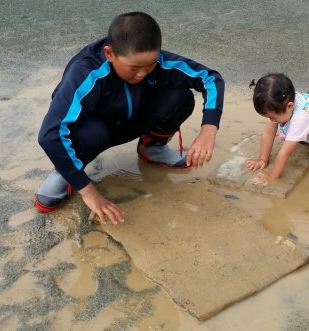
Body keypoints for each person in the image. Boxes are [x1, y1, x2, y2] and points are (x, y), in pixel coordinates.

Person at [35, 12, 224, 225]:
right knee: (90, 134)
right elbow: (50, 134)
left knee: (181, 97)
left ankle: (153, 148)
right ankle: (66, 173)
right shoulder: (86, 72)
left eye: (150, 65)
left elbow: (211, 79)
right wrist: (89, 192)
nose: (143, 73)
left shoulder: (157, 61)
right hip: (96, 132)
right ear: (109, 53)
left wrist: (208, 129)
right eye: (134, 68)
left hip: (133, 120)